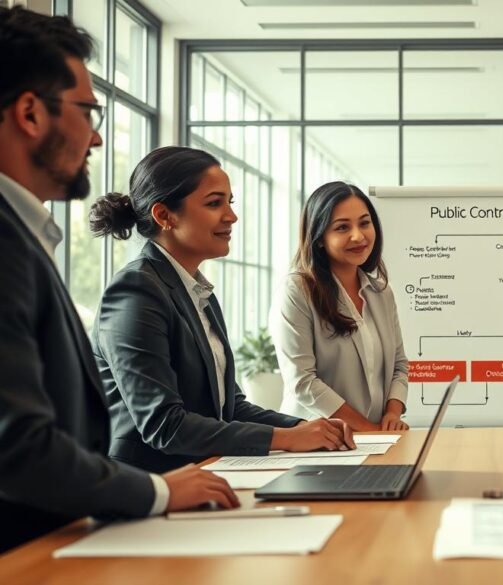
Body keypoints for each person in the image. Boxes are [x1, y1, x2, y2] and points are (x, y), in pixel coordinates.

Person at [0, 7, 238, 553]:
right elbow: (18, 446)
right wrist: (155, 492)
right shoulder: (10, 244)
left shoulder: (25, 234)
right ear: (31, 114)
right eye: (88, 111)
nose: (98, 139)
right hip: (34, 550)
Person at [90, 146, 355, 474]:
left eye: (230, 202)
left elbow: (230, 408)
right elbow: (164, 425)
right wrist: (285, 438)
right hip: (149, 487)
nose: (231, 216)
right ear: (164, 216)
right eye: (214, 203)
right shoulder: (135, 291)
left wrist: (306, 428)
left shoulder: (198, 292)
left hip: (205, 475)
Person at [271, 181, 409, 432]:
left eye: (364, 223)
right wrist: (368, 429)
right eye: (342, 227)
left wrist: (392, 411)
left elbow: (399, 365)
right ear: (320, 237)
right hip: (316, 440)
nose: (358, 236)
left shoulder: (381, 292)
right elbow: (302, 382)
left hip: (375, 438)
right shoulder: (297, 290)